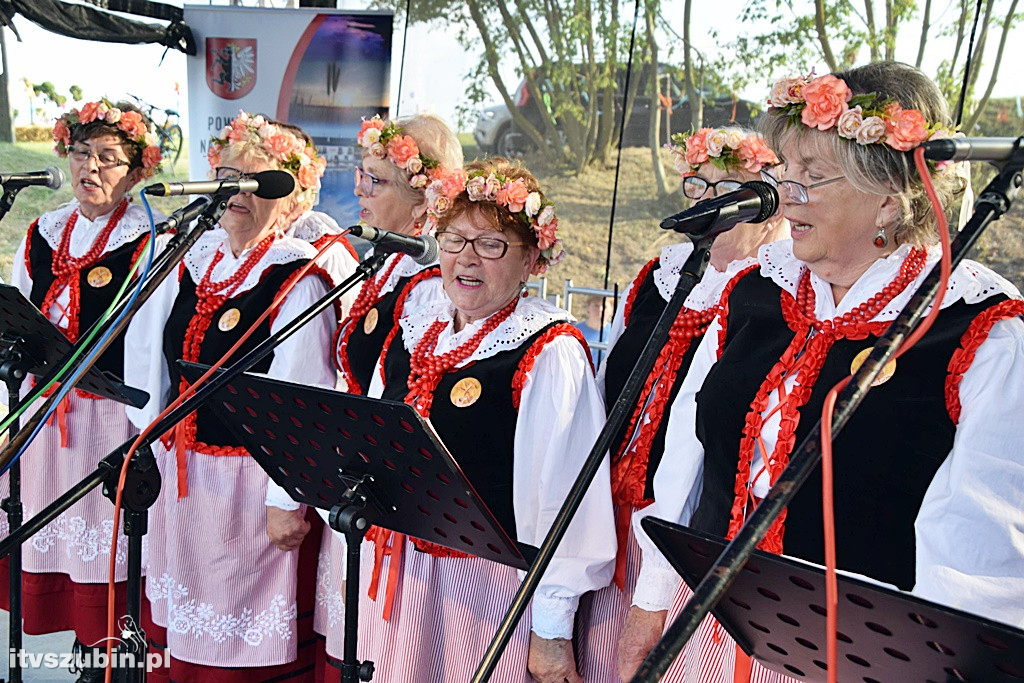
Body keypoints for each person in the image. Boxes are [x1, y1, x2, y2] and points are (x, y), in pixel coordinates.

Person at [632, 61, 1024, 682]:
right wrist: (648, 606)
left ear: (889, 200)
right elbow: (687, 459)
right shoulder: (755, 292)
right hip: (710, 633)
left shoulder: (979, 332)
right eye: (786, 172)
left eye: (811, 177)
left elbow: (980, 569)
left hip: (866, 659)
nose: (787, 194)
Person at [338, 157, 615, 682]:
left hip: (485, 591)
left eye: (490, 244)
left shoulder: (548, 350)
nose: (467, 259)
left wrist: (551, 633)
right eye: (454, 239)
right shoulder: (416, 328)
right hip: (399, 576)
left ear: (532, 257)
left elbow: (563, 503)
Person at [124, 111, 337, 682]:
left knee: (239, 643)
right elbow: (149, 359)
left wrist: (286, 498)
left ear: (292, 201)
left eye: (256, 177)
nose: (236, 188)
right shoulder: (191, 257)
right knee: (180, 630)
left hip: (246, 486)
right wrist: (145, 440)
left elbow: (302, 399)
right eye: (227, 173)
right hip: (180, 476)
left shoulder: (298, 278)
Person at [577, 127, 789, 682]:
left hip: (683, 543)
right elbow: (606, 393)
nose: (710, 204)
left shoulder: (770, 298)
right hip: (611, 524)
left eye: (730, 190)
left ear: (768, 204)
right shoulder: (659, 277)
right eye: (700, 187)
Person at [261, 113, 463, 679]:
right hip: (355, 488)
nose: (359, 190)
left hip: (395, 505)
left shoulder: (437, 285)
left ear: (424, 197)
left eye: (376, 180)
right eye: (361, 174)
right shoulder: (388, 263)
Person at [0, 98, 163, 683]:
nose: (89, 167)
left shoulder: (150, 238)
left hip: (106, 425)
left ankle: (106, 666)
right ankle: (78, 657)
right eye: (80, 152)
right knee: (58, 557)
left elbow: (148, 352)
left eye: (108, 157)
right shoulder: (42, 231)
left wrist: (144, 435)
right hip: (45, 420)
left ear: (138, 171)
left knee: (108, 569)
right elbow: (16, 316)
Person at [572, 294, 613, 366]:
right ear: (588, 308)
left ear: (612, 310)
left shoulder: (615, 332)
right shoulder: (575, 331)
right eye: (596, 305)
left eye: (604, 306)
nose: (600, 310)